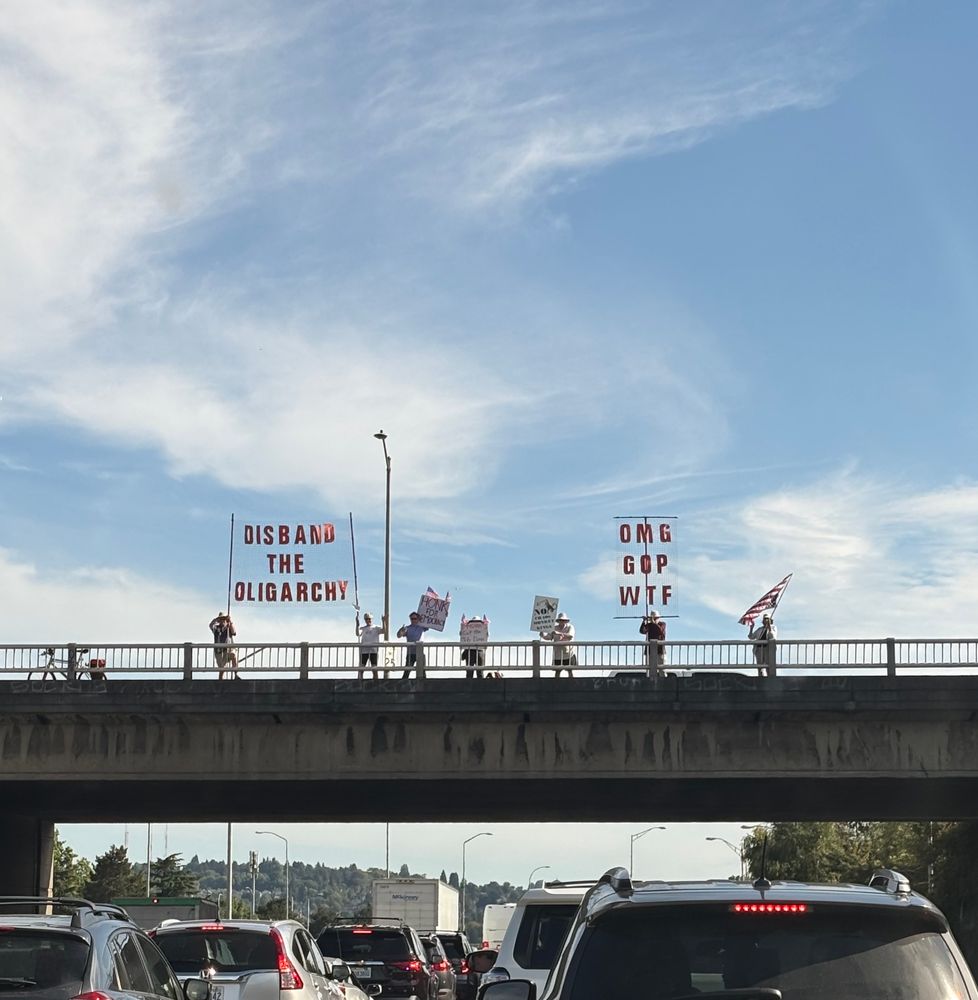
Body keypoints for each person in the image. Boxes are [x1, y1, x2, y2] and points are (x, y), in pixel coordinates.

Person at [540, 612, 576, 677]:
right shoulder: (554, 628)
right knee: (557, 671)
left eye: (563, 620)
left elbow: (570, 636)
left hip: (568, 654)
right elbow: (549, 637)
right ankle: (556, 685)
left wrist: (558, 633)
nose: (562, 622)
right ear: (558, 621)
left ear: (566, 621)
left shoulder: (570, 627)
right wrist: (542, 635)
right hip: (558, 654)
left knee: (570, 671)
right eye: (560, 620)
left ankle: (571, 683)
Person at [396, 612, 428, 679]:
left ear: (418, 619)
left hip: (420, 653)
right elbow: (398, 636)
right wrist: (401, 630)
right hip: (410, 653)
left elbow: (432, 624)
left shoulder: (422, 627)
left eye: (415, 618)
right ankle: (403, 686)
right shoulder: (407, 628)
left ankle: (424, 687)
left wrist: (442, 615)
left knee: (422, 672)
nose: (413, 620)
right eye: (412, 618)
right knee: (407, 671)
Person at [209, 611, 239, 679]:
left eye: (224, 619)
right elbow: (210, 625)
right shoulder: (216, 628)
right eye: (221, 619)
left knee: (233, 655)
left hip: (228, 649)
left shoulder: (228, 627)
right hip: (219, 651)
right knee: (222, 668)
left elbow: (234, 632)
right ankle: (220, 679)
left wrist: (230, 621)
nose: (222, 620)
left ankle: (236, 674)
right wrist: (216, 619)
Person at [357, 612, 384, 680]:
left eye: (369, 619)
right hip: (364, 651)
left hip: (373, 651)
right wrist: (357, 625)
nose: (368, 620)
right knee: (361, 668)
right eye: (366, 619)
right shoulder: (362, 628)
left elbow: (384, 631)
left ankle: (376, 682)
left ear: (372, 619)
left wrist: (384, 621)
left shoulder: (376, 627)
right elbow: (357, 633)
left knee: (374, 668)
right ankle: (359, 682)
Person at [639, 611, 667, 677]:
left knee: (662, 669)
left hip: (660, 650)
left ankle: (664, 682)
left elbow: (660, 631)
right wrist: (644, 622)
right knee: (650, 669)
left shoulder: (662, 624)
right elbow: (642, 631)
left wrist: (653, 623)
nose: (654, 619)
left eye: (655, 618)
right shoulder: (649, 625)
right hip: (650, 650)